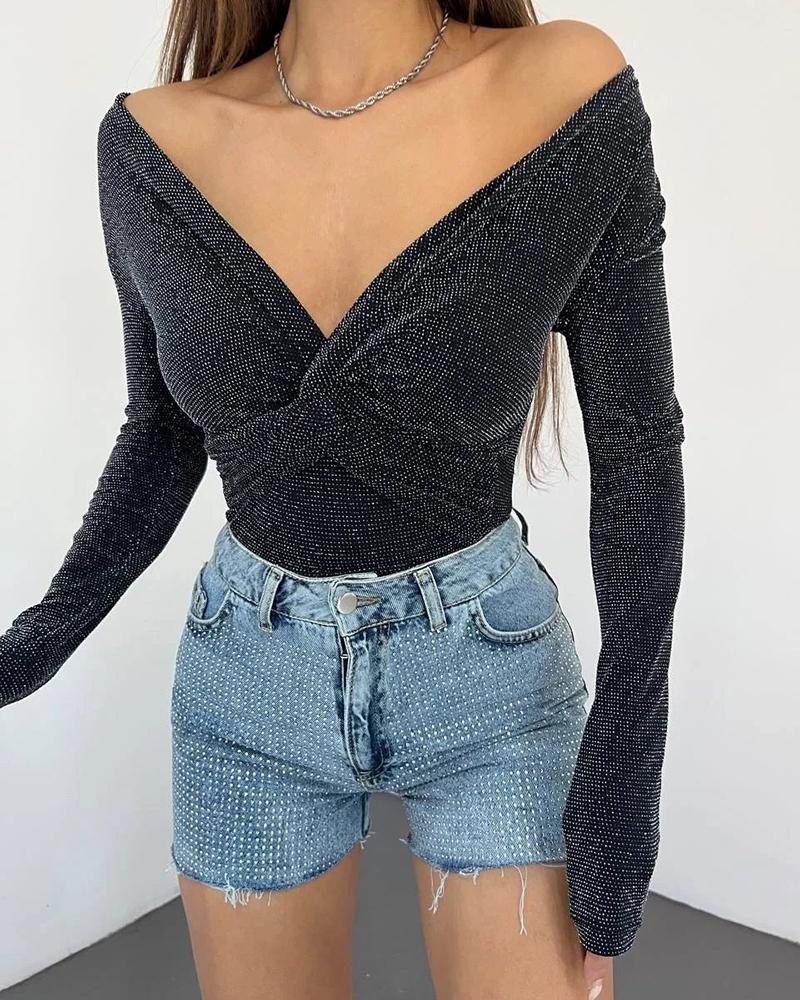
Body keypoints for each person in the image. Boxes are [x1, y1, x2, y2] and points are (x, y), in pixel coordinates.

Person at [0, 2, 686, 998]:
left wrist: (623, 778)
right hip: (246, 685)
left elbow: (636, 444)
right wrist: (31, 644)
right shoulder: (153, 142)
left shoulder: (562, 85)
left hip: (490, 687)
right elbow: (160, 432)